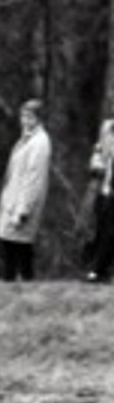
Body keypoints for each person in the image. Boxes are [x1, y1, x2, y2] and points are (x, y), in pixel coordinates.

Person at [0, 99, 51, 282]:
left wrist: (23, 209)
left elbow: (34, 178)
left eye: (30, 116)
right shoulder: (26, 138)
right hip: (13, 201)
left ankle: (22, 286)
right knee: (12, 247)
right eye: (23, 116)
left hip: (23, 204)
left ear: (39, 118)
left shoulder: (40, 142)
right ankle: (14, 288)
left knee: (19, 248)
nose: (25, 120)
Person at [84, 117, 114, 282]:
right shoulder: (107, 128)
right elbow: (97, 152)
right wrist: (96, 163)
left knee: (110, 231)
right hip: (103, 188)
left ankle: (97, 269)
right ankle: (101, 270)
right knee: (101, 230)